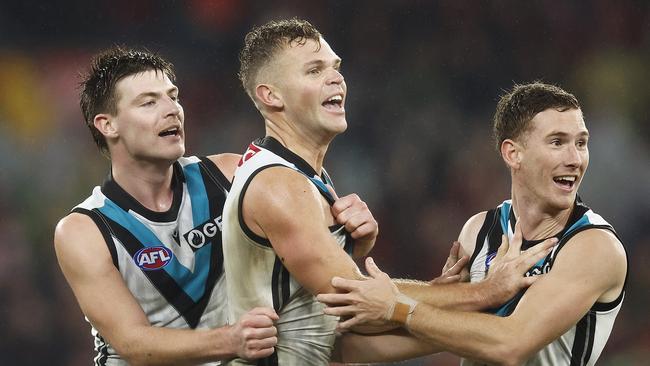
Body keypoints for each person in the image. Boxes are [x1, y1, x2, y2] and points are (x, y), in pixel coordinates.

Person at [221, 18, 554, 365]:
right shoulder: (279, 186)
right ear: (270, 95)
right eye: (314, 70)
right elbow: (359, 304)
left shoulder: (301, 176)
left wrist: (450, 301)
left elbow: (339, 337)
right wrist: (485, 292)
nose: (335, 78)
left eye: (335, 67)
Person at [318, 82, 628, 366]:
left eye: (581, 143)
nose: (575, 159)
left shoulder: (594, 246)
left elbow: (511, 343)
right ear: (513, 153)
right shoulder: (479, 231)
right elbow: (425, 335)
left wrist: (398, 307)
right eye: (558, 142)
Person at [54, 47, 279, 365]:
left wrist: (349, 224)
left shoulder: (232, 175)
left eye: (173, 96)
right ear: (107, 125)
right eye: (149, 102)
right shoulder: (84, 229)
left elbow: (308, 226)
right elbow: (133, 343)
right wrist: (230, 340)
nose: (172, 109)